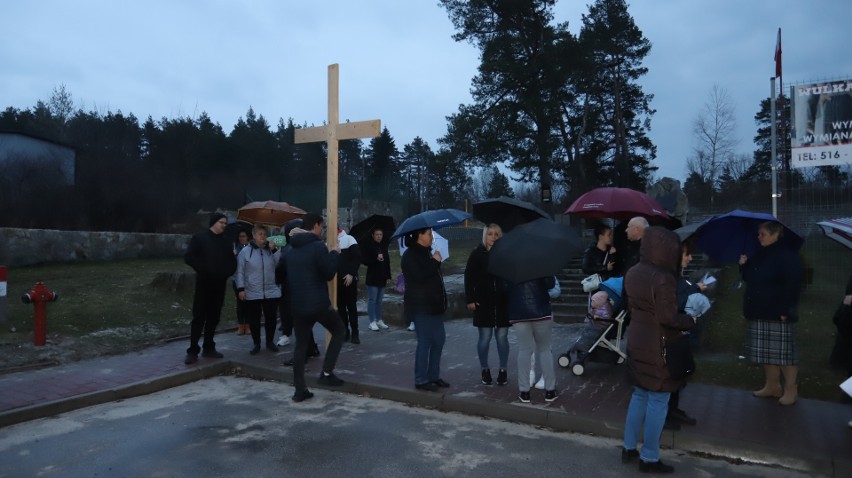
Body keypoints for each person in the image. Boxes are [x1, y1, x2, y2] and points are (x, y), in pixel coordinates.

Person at [621, 227, 695, 473]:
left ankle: (628, 447)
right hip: (659, 343)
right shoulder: (663, 277)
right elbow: (668, 317)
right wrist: (691, 319)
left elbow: (632, 306)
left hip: (637, 337)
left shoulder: (633, 271)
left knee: (639, 394)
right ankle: (649, 457)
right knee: (658, 398)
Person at [278, 212, 346, 402]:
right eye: (321, 226)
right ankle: (326, 374)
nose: (322, 230)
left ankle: (300, 390)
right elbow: (328, 273)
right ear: (316, 225)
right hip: (318, 304)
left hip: (298, 306)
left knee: (300, 346)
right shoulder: (317, 247)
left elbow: (279, 274)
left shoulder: (290, 248)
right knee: (339, 330)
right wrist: (335, 254)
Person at [739, 221, 804, 406]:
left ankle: (791, 389)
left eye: (763, 234)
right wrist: (744, 265)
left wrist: (787, 309)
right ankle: (772, 386)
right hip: (758, 310)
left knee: (784, 354)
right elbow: (750, 278)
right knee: (766, 352)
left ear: (776, 234)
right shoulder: (759, 254)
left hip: (778, 311)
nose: (759, 237)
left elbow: (793, 285)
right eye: (758, 234)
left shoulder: (788, 256)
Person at [665, 242, 709, 430]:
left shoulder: (679, 278)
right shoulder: (670, 279)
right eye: (686, 255)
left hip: (682, 334)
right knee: (672, 374)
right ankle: (666, 414)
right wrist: (695, 290)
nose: (690, 258)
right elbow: (676, 304)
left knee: (680, 374)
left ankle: (672, 409)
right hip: (675, 335)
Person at [183, 213, 237, 365]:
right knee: (199, 317)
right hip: (204, 283)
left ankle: (209, 347)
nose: (224, 225)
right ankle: (193, 350)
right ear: (213, 222)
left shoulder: (226, 241)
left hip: (219, 284)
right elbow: (189, 257)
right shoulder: (200, 238)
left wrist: (227, 273)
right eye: (222, 222)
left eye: (226, 223)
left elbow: (232, 262)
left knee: (214, 317)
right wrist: (204, 269)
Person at [402, 227, 449, 392]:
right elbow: (420, 277)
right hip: (420, 306)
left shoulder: (427, 252)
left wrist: (434, 260)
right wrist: (435, 262)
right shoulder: (410, 256)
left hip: (434, 305)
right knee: (425, 341)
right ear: (419, 236)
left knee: (439, 339)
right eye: (428, 234)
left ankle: (434, 376)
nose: (431, 237)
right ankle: (421, 379)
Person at [464, 224, 510, 386]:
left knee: (502, 338)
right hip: (483, 303)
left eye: (496, 234)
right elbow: (468, 277)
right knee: (485, 338)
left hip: (503, 304)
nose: (493, 237)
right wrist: (470, 298)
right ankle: (485, 368)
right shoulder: (477, 254)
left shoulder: (505, 254)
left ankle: (503, 369)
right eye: (490, 234)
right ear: (485, 236)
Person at [507, 275, 558, 403]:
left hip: (519, 313)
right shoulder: (540, 263)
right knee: (545, 350)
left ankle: (524, 392)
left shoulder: (510, 266)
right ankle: (550, 391)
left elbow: (504, 288)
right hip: (541, 312)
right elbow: (551, 284)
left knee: (524, 350)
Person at [235, 224, 281, 355]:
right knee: (254, 319)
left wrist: (274, 250)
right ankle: (256, 344)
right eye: (260, 234)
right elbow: (240, 272)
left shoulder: (270, 250)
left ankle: (270, 342)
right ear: (254, 236)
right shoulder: (245, 252)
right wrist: (241, 288)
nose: (263, 237)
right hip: (252, 290)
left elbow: (280, 264)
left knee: (271, 318)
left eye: (265, 234)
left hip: (271, 290)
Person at [362, 228, 392, 331]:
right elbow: (365, 261)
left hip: (382, 277)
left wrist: (388, 276)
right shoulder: (369, 247)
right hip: (372, 277)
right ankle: (372, 321)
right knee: (372, 300)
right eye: (377, 234)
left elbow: (387, 262)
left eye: (381, 234)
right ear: (373, 235)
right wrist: (375, 258)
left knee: (379, 300)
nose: (379, 236)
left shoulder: (384, 246)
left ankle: (379, 319)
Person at [337, 228, 362, 343]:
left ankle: (355, 333)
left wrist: (351, 273)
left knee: (351, 307)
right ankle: (345, 331)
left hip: (349, 279)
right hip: (336, 281)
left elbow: (357, 257)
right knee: (340, 308)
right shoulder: (328, 242)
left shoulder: (348, 239)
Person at [232, 229, 251, 335]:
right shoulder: (234, 247)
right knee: (240, 303)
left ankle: (248, 325)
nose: (242, 238)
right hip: (237, 279)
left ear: (248, 237)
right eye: (240, 236)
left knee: (248, 303)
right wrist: (233, 256)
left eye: (244, 236)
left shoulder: (251, 248)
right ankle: (240, 325)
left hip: (249, 279)